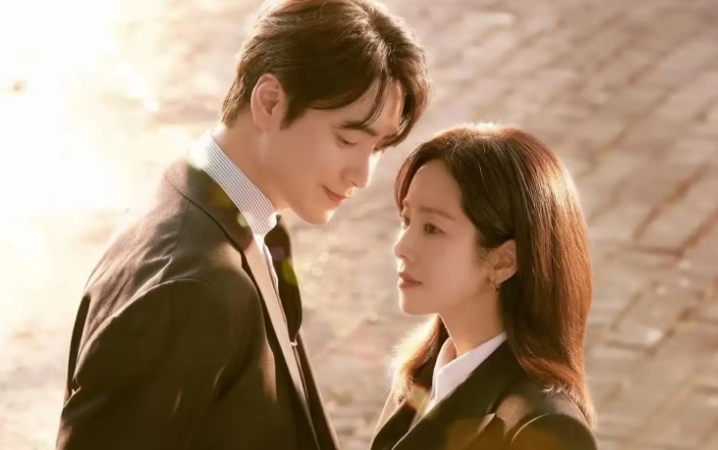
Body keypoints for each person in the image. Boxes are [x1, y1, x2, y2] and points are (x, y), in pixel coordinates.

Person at [56, 1, 430, 449]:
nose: (363, 176)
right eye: (347, 139)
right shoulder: (190, 291)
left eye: (378, 148)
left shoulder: (222, 210)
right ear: (269, 102)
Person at [370, 124, 598, 450]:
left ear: (503, 260)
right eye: (407, 220)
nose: (402, 247)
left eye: (432, 228)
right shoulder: (420, 377)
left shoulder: (545, 427)